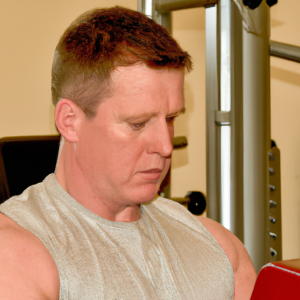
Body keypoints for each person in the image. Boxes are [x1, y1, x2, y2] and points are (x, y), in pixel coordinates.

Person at [0, 6, 256, 300]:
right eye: (137, 123)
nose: (165, 146)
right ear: (70, 122)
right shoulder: (17, 256)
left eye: (171, 119)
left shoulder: (220, 250)